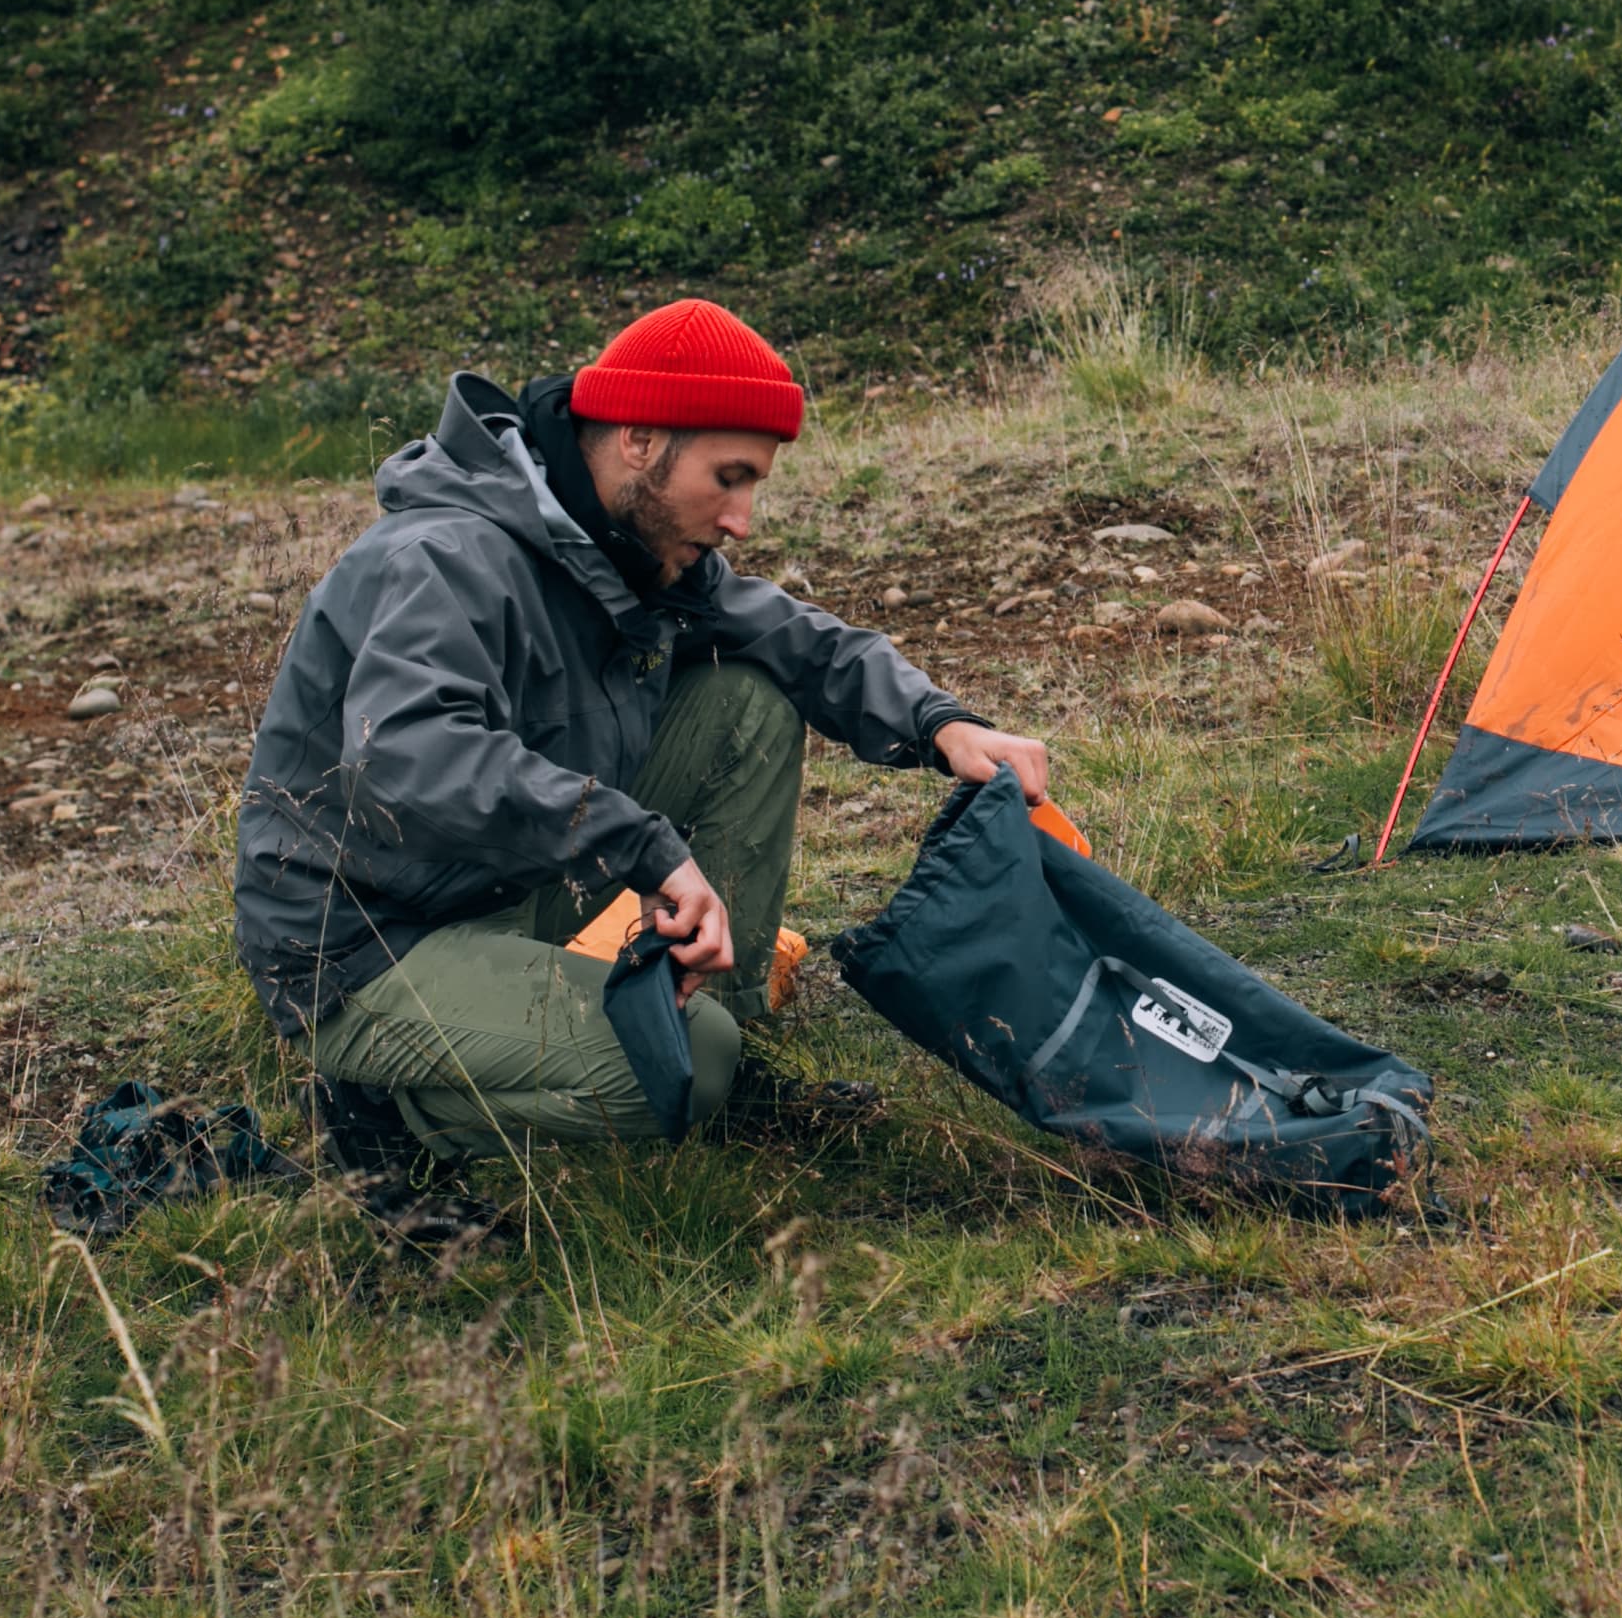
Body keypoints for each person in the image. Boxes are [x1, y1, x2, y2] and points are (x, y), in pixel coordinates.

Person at [232, 299, 1053, 1161]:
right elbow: (410, 755)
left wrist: (945, 725)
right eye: (728, 477)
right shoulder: (445, 556)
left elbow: (797, 639)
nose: (740, 519)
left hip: (507, 878)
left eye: (753, 487)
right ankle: (395, 1114)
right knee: (686, 1068)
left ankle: (728, 1036)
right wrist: (641, 846)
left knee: (748, 703)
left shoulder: (619, 546)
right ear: (639, 440)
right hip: (369, 945)